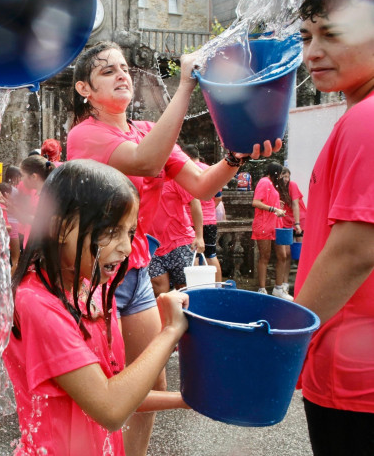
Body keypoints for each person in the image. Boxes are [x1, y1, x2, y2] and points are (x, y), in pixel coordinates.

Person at [66, 40, 280, 455]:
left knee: (150, 381)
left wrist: (236, 157)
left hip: (137, 268)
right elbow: (146, 162)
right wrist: (185, 85)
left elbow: (201, 186)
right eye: (107, 70)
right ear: (84, 90)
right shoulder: (84, 136)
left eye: (124, 67)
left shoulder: (147, 131)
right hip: (93, 274)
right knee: (102, 385)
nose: (121, 74)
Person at [3, 159, 190, 455]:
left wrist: (185, 399)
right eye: (111, 231)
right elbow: (110, 407)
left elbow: (115, 389)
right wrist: (170, 332)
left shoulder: (93, 291)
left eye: (130, 232)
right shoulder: (37, 305)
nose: (127, 247)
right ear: (60, 228)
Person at [294, 0, 374, 453]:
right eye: (307, 36)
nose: (312, 53)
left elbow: (355, 250)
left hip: (354, 379)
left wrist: (285, 342)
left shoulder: (365, 119)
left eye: (333, 35)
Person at [148, 178, 205, 296]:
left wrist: (199, 236)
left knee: (185, 288)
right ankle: (166, 314)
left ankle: (187, 314)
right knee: (159, 290)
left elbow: (194, 201)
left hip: (180, 240)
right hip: (152, 244)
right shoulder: (139, 178)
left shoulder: (174, 178)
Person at [251, 162, 293, 300]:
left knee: (283, 255)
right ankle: (262, 289)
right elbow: (256, 202)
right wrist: (274, 209)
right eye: (281, 174)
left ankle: (278, 288)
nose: (282, 177)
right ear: (275, 173)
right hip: (264, 226)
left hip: (275, 225)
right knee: (265, 257)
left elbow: (268, 201)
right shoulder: (264, 182)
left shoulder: (272, 184)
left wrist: (277, 205)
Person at [183, 145, 223, 281]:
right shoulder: (209, 169)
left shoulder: (186, 171)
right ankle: (218, 288)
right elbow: (218, 197)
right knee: (211, 254)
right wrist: (208, 209)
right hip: (210, 220)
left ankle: (195, 286)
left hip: (191, 219)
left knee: (192, 254)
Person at [278, 167, 306, 292]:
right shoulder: (276, 188)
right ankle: (285, 282)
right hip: (285, 220)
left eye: (288, 177)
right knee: (287, 253)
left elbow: (295, 205)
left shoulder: (292, 186)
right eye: (284, 177)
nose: (286, 179)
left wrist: (297, 223)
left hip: (300, 219)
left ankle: (302, 282)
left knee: (300, 253)